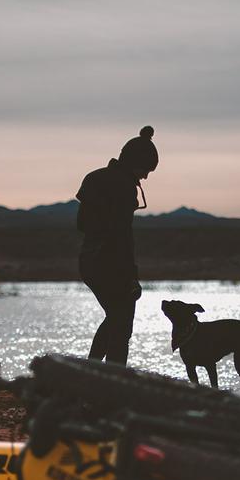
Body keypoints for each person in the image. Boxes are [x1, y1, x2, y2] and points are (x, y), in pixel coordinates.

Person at [76, 126, 159, 364]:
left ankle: (91, 371)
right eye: (146, 170)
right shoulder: (123, 186)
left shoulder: (94, 177)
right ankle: (112, 383)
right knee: (122, 326)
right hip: (110, 264)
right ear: (136, 163)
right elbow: (124, 237)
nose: (145, 177)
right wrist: (131, 276)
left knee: (115, 317)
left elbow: (82, 224)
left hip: (88, 262)